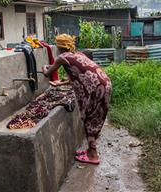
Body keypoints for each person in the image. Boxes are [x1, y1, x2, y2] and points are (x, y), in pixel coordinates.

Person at [42, 34, 112, 165]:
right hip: (105, 83)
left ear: (59, 46)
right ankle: (90, 150)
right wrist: (62, 83)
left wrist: (45, 67)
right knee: (97, 116)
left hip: (94, 89)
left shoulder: (62, 57)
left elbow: (47, 73)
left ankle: (93, 155)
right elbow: (82, 74)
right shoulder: (78, 54)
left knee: (89, 117)